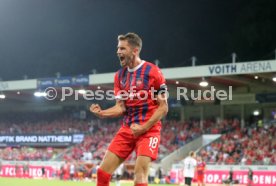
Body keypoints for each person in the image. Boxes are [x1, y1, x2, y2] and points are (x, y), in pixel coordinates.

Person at [90, 32, 168, 186]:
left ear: (135, 50)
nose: (118, 52)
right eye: (118, 48)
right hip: (127, 129)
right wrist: (102, 113)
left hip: (148, 130)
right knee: (102, 172)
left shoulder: (153, 72)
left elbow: (163, 108)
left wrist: (143, 127)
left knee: (139, 176)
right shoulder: (119, 76)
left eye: (122, 48)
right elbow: (120, 107)